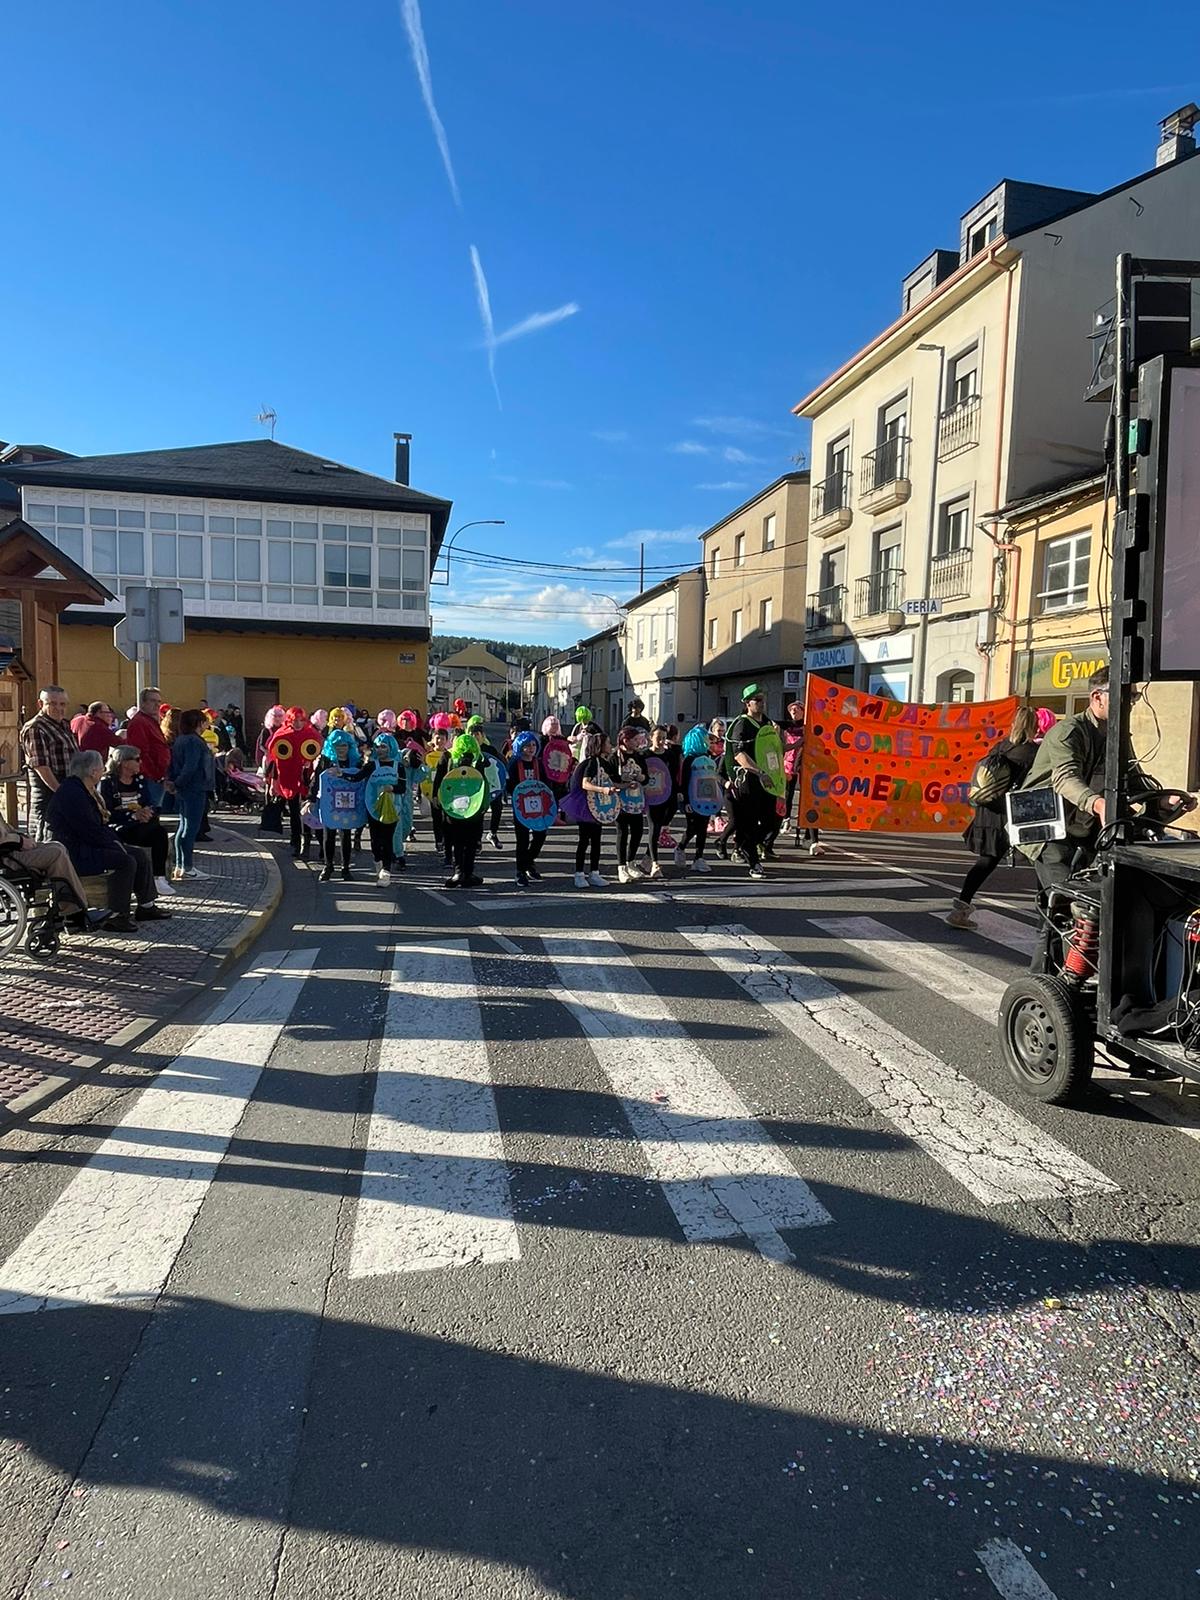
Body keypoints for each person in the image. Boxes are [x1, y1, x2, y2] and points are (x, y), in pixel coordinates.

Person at [1016, 666, 1195, 891]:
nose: (1131, 703)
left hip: (1084, 825)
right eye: (1125, 696)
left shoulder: (1117, 735)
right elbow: (1065, 778)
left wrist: (1163, 800)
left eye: (1134, 696)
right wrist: (1099, 804)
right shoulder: (1069, 732)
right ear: (1097, 697)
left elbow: (1132, 778)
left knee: (1087, 897)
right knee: (1071, 896)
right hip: (1046, 825)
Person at [48, 749, 169, 932]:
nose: (104, 770)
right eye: (100, 767)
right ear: (92, 771)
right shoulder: (73, 793)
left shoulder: (83, 789)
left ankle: (146, 906)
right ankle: (117, 915)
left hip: (86, 844)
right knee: (125, 861)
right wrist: (115, 844)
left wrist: (115, 842)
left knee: (138, 855)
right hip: (74, 852)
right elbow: (90, 830)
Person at [947, 706, 1040, 929]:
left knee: (985, 863)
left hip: (987, 813)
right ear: (1034, 726)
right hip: (1010, 816)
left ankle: (960, 909)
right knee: (1042, 863)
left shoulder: (1001, 746)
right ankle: (1047, 918)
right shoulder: (1031, 753)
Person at [0, 811, 112, 933]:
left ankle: (70, 910)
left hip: (10, 850)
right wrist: (20, 840)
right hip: (6, 858)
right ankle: (73, 913)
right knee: (56, 854)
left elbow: (6, 827)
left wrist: (24, 837)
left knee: (58, 846)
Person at [100, 744, 175, 897]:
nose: (140, 762)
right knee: (150, 830)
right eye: (137, 759)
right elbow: (106, 812)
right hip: (120, 827)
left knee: (159, 832)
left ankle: (158, 877)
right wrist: (132, 815)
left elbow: (149, 802)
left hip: (141, 825)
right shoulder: (108, 783)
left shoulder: (140, 781)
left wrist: (147, 811)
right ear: (124, 762)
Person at [723, 685, 775, 880]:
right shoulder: (742, 724)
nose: (761, 703)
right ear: (747, 703)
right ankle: (754, 862)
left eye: (762, 699)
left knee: (771, 819)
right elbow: (739, 754)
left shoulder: (767, 722)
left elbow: (776, 749)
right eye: (757, 700)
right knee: (751, 821)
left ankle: (745, 844)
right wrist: (759, 772)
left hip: (768, 778)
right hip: (749, 779)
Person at [19, 686, 79, 842]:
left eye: (62, 704)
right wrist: (62, 793)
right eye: (52, 704)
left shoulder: (65, 724)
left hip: (68, 787)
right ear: (41, 704)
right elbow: (41, 767)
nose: (58, 708)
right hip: (49, 793)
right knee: (47, 841)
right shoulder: (35, 728)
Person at [311, 727, 366, 882]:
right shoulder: (325, 760)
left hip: (349, 804)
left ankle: (346, 868)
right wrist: (310, 799)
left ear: (349, 746)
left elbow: (362, 780)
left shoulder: (356, 761)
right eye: (337, 745)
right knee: (328, 835)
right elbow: (317, 780)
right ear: (331, 746)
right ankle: (328, 866)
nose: (341, 749)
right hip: (330, 803)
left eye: (344, 745)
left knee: (346, 835)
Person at [432, 733, 487, 889]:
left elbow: (439, 779)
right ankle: (465, 873)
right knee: (468, 842)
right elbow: (484, 784)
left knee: (460, 841)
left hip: (456, 806)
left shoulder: (449, 758)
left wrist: (437, 797)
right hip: (470, 807)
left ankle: (461, 873)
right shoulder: (475, 761)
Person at [167, 709, 216, 881]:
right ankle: (187, 867)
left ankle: (180, 866)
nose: (206, 726)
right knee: (190, 828)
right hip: (194, 788)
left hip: (184, 789)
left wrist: (175, 783)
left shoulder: (180, 740)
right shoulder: (195, 742)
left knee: (183, 827)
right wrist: (178, 782)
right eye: (204, 722)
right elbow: (191, 766)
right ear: (198, 723)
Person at [572, 730, 619, 889]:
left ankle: (594, 873)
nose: (610, 746)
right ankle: (579, 874)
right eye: (608, 743)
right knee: (584, 840)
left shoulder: (603, 763)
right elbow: (585, 784)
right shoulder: (592, 762)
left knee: (597, 841)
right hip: (587, 806)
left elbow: (613, 780)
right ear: (600, 746)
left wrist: (627, 785)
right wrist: (603, 790)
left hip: (597, 806)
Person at [362, 731, 407, 884]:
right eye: (378, 747)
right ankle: (378, 863)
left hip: (393, 808)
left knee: (387, 840)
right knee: (375, 841)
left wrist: (392, 788)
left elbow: (403, 787)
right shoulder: (371, 766)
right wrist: (340, 773)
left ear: (391, 748)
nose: (380, 750)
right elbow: (357, 777)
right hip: (373, 808)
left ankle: (386, 871)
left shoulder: (398, 767)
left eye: (384, 747)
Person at [506, 730, 549, 888]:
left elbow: (546, 784)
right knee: (522, 839)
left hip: (539, 806)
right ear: (520, 747)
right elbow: (510, 786)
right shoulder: (514, 764)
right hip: (521, 806)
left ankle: (529, 861)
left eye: (532, 745)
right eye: (526, 746)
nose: (531, 748)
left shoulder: (539, 763)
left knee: (540, 835)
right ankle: (520, 871)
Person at [645, 723, 682, 879]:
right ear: (650, 737)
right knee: (654, 827)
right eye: (658, 738)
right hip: (651, 796)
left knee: (659, 827)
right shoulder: (644, 756)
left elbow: (674, 776)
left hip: (668, 795)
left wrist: (678, 792)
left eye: (664, 738)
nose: (661, 741)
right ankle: (655, 864)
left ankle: (647, 857)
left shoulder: (670, 755)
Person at [124, 687, 171, 809]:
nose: (157, 705)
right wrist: (155, 774)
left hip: (156, 776)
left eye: (159, 701)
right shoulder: (139, 722)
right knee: (149, 813)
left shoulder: (150, 721)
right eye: (153, 701)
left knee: (154, 813)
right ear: (143, 703)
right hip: (148, 777)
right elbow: (140, 752)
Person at [614, 724, 649, 884]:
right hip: (620, 799)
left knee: (638, 831)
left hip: (636, 798)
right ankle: (621, 867)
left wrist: (642, 778)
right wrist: (623, 783)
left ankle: (631, 862)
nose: (637, 742)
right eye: (634, 739)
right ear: (625, 740)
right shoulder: (615, 757)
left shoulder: (639, 756)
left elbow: (647, 777)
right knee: (622, 832)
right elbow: (610, 778)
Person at [679, 723, 715, 873]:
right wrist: (685, 801)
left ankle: (698, 858)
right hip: (692, 799)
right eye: (705, 738)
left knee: (703, 828)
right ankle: (680, 847)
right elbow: (684, 781)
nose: (708, 740)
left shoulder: (708, 757)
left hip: (706, 797)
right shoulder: (689, 760)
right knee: (692, 827)